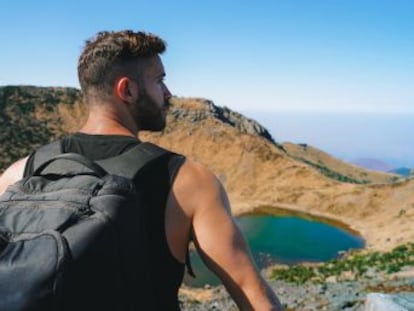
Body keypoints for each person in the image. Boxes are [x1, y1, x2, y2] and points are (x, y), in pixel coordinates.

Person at [0, 30, 284, 311]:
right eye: (160, 80)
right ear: (128, 90)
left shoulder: (20, 172)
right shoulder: (186, 180)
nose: (168, 93)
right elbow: (254, 296)